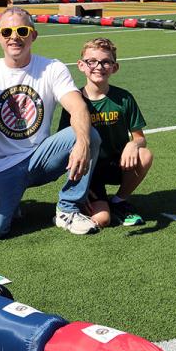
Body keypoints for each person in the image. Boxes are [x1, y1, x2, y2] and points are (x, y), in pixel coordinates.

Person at [0, 7, 101, 239]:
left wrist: (82, 143)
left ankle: (67, 209)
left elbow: (78, 107)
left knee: (87, 135)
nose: (15, 37)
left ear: (33, 35)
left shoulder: (52, 68)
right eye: (7, 32)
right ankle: (10, 202)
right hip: (1, 167)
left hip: (39, 159)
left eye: (22, 30)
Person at [59, 38, 152, 228]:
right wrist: (80, 189)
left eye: (105, 62)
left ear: (114, 67)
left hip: (117, 164)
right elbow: (67, 146)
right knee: (102, 220)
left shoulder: (123, 98)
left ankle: (119, 201)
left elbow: (140, 137)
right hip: (88, 170)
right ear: (81, 65)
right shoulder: (74, 101)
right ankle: (88, 200)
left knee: (144, 154)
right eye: (91, 61)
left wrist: (133, 144)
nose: (98, 67)